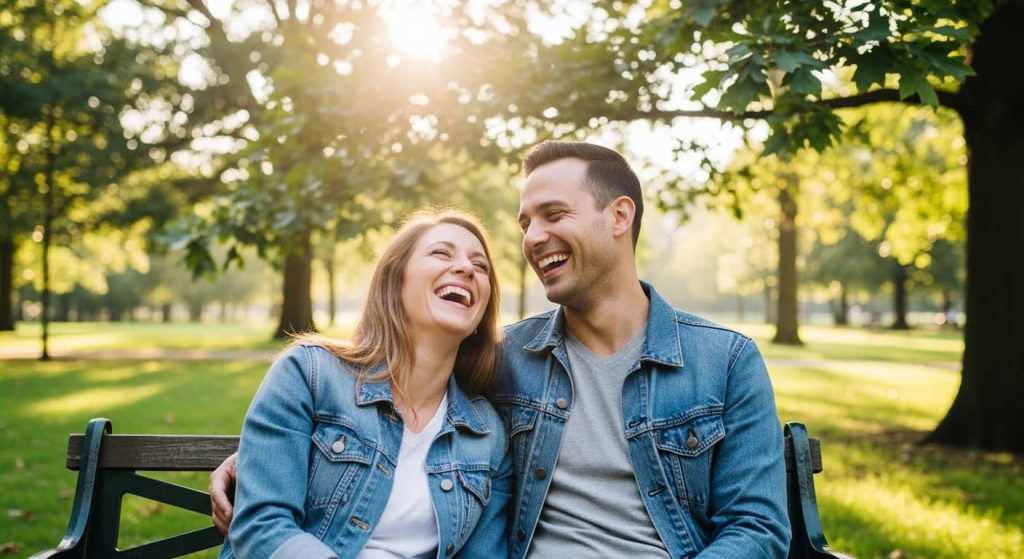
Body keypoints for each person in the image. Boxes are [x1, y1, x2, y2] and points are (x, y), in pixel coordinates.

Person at [212, 142, 790, 558]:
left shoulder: (725, 361)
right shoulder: (508, 358)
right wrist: (261, 463)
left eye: (554, 215)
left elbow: (758, 529)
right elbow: (383, 411)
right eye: (525, 223)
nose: (533, 238)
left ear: (620, 216)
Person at [217, 209, 512, 559]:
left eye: (480, 266)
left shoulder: (488, 436)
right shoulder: (309, 374)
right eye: (441, 253)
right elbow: (262, 526)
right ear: (395, 281)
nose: (466, 268)